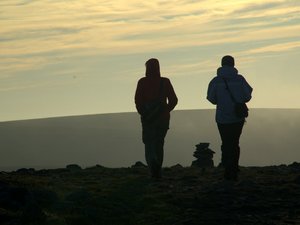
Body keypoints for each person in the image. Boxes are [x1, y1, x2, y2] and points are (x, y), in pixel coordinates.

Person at [207, 55, 253, 181]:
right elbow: (248, 96)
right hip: (237, 117)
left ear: (221, 65)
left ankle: (227, 167)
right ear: (233, 64)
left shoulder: (216, 81)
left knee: (226, 142)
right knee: (235, 142)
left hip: (222, 117)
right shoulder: (240, 79)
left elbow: (211, 98)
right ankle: (234, 167)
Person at [135, 58, 178, 179]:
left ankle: (152, 166)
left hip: (148, 118)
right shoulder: (165, 82)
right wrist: (165, 110)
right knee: (159, 143)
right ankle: (157, 168)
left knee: (149, 143)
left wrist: (144, 113)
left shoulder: (142, 82)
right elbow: (174, 100)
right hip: (163, 119)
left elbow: (138, 101)